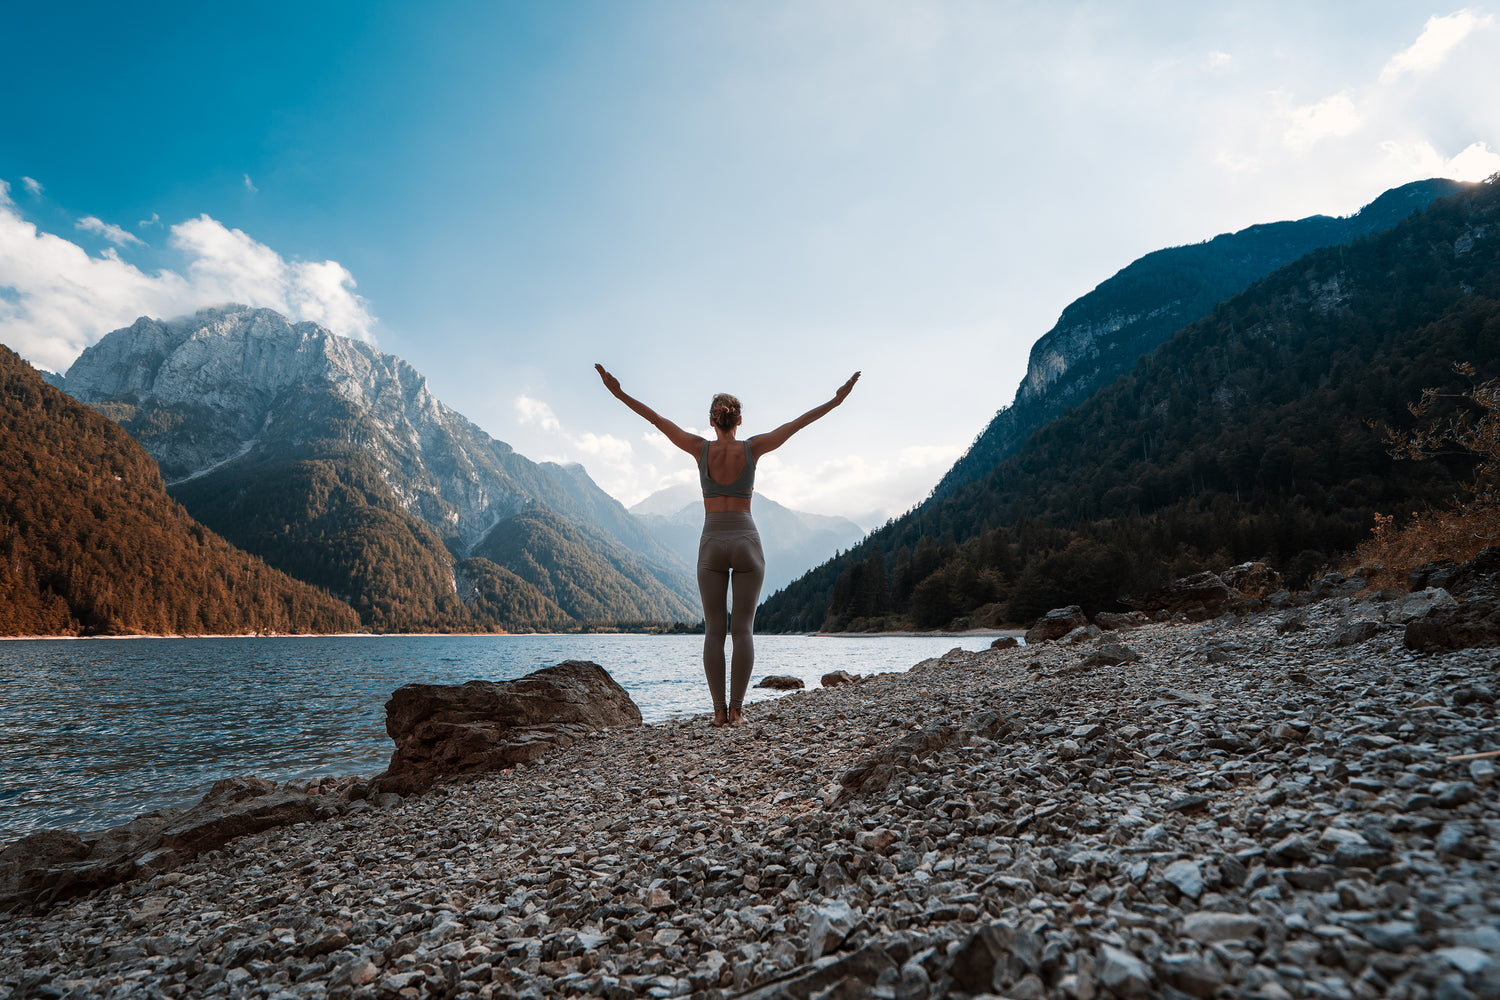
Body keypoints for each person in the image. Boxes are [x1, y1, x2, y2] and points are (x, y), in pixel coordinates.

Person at [595, 364, 860, 726]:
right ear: (739, 421)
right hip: (746, 539)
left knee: (714, 631)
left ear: (711, 421)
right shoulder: (753, 448)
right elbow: (797, 424)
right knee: (743, 630)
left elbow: (656, 420)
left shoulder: (699, 449)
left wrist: (619, 393)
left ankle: (718, 712)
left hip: (712, 543)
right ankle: (737, 711)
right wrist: (836, 400)